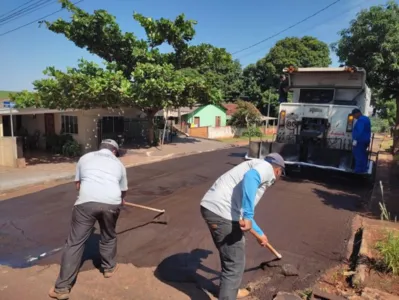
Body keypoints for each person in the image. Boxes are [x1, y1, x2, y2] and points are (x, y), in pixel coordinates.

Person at [49, 139, 128, 300]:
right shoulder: (119, 164)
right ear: (114, 151)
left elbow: (77, 184)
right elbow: (123, 191)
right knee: (108, 236)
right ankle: (109, 269)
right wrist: (120, 200)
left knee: (75, 243)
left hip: (85, 203)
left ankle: (62, 288)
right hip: (111, 204)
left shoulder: (85, 158)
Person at [200, 153, 285, 299]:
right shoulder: (265, 168)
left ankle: (230, 291)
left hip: (212, 208)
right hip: (222, 212)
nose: (278, 177)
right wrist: (248, 216)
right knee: (235, 264)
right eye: (280, 174)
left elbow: (242, 215)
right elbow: (251, 178)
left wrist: (260, 234)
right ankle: (228, 295)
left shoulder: (254, 165)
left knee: (229, 257)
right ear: (278, 170)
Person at [351, 108, 371, 173]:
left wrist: (355, 140)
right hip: (365, 140)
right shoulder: (366, 118)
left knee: (358, 155)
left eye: (354, 115)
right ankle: (364, 170)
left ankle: (358, 171)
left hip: (360, 141)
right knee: (363, 155)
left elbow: (359, 131)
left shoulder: (361, 120)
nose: (354, 117)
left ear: (358, 113)